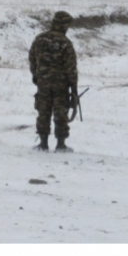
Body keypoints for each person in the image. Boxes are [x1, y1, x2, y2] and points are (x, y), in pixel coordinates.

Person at [29, 12, 79, 153]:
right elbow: (71, 68)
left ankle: (43, 143)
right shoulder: (65, 42)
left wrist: (36, 76)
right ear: (64, 25)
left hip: (43, 83)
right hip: (60, 85)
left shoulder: (39, 39)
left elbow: (32, 59)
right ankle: (60, 144)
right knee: (61, 112)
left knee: (43, 111)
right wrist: (73, 87)